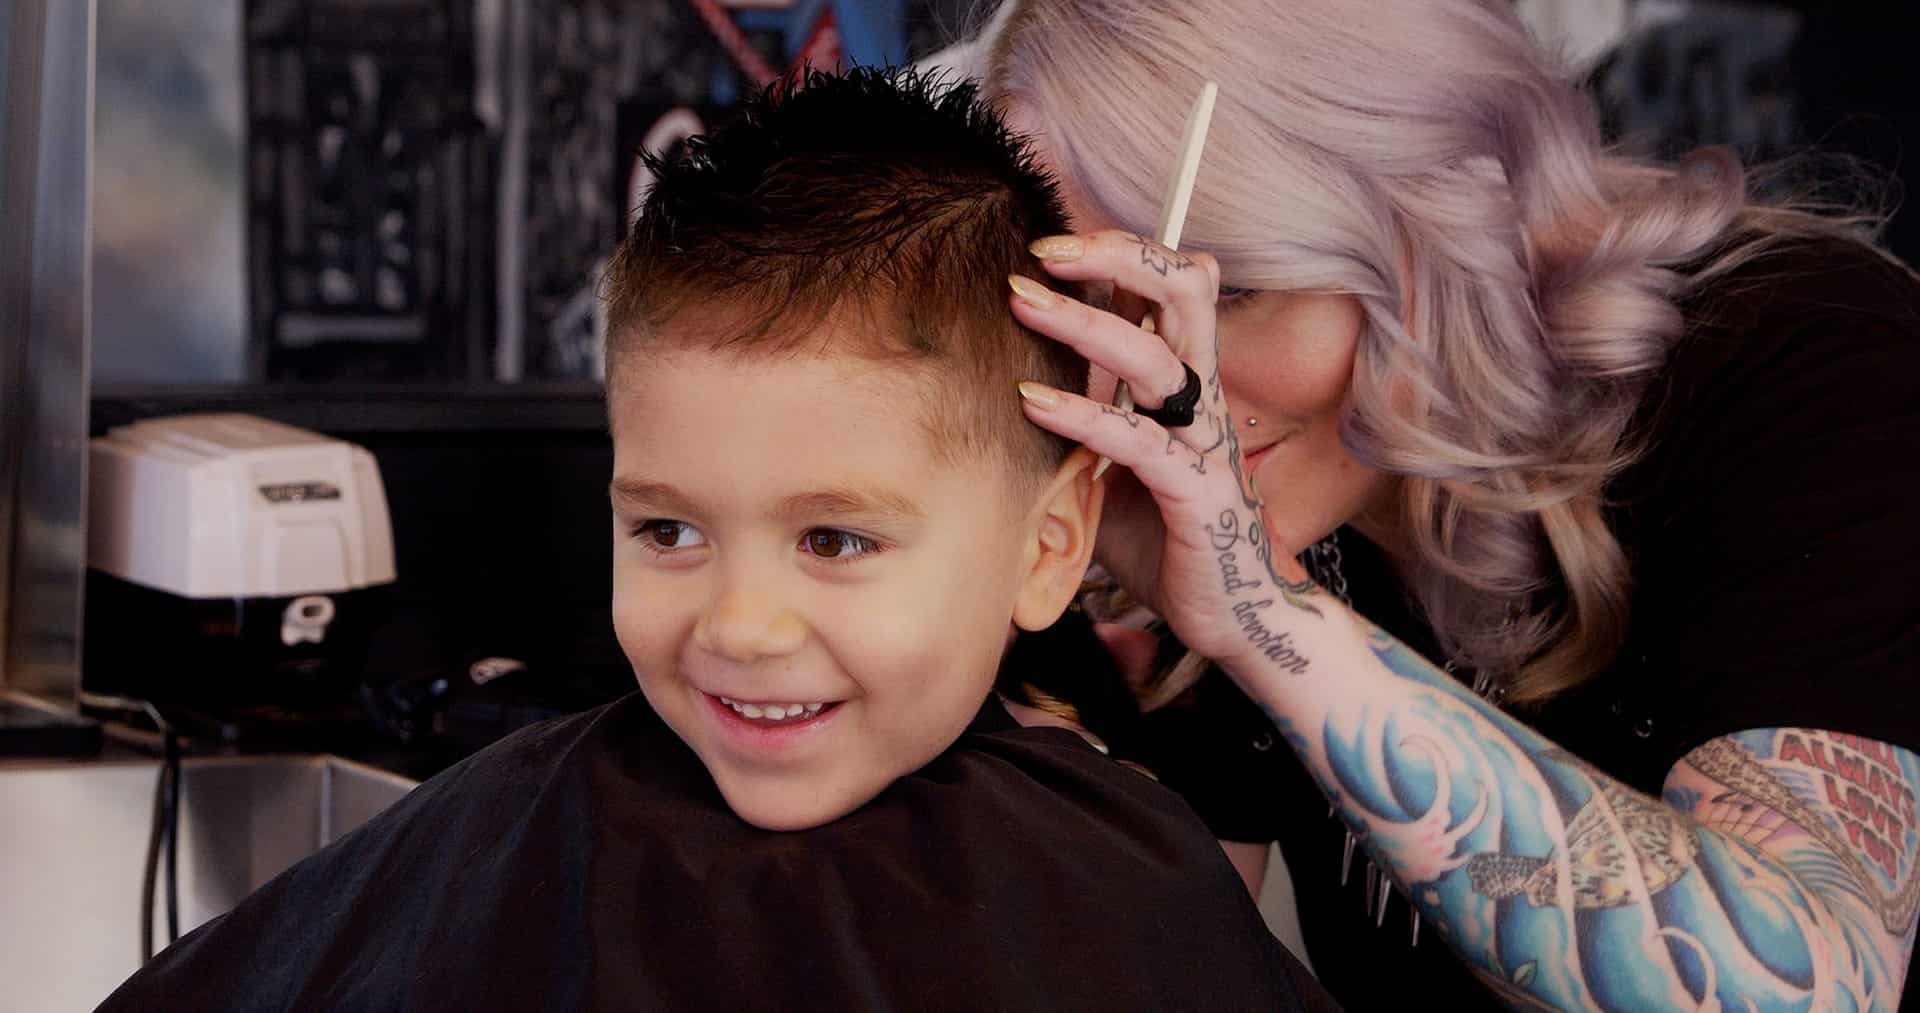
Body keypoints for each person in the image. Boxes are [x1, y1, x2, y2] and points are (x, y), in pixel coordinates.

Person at [96, 69, 1333, 1012]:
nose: (738, 626)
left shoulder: (1105, 885)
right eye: (669, 527)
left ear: (1049, 544)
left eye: (837, 540)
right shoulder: (511, 830)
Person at [973, 0, 1920, 1008]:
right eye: (1099, 315)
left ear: (1431, 217)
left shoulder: (1802, 355)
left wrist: (1268, 617)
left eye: (1235, 288)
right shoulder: (1206, 481)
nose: (1157, 387)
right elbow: (1173, 961)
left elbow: (1810, 985)